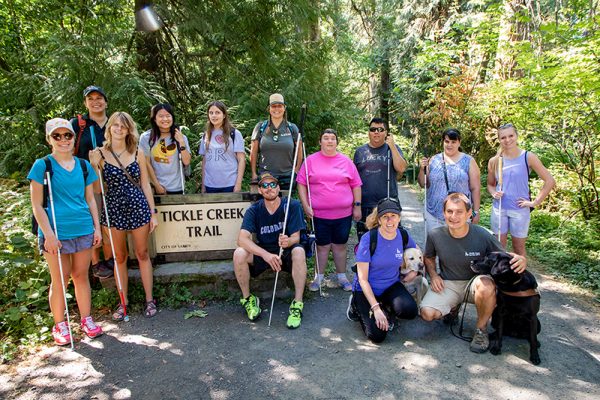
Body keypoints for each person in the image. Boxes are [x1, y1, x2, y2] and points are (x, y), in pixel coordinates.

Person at [420, 192, 527, 353]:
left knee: (486, 285)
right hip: (449, 283)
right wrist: (434, 276)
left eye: (459, 211)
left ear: (469, 214)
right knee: (427, 313)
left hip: (476, 284)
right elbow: (428, 256)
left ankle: (481, 330)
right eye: (449, 211)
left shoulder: (482, 234)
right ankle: (453, 308)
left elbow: (503, 256)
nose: (453, 216)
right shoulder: (436, 235)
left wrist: (521, 259)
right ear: (443, 213)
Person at [29, 118, 103, 345]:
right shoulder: (43, 165)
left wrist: (96, 227)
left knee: (81, 276)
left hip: (82, 227)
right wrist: (48, 235)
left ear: (73, 137)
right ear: (49, 139)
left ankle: (86, 319)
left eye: (67, 135)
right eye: (57, 136)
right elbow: (36, 205)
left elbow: (90, 198)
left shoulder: (83, 165)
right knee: (59, 279)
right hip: (56, 232)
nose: (63, 140)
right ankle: (60, 324)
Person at [89, 112, 159, 320]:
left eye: (124, 126)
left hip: (138, 207)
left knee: (142, 253)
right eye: (115, 125)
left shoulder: (137, 151)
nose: (119, 129)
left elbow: (145, 184)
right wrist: (93, 166)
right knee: (119, 257)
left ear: (129, 130)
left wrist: (152, 212)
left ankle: (149, 299)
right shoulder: (99, 154)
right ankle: (123, 302)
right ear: (109, 127)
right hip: (113, 210)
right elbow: (97, 189)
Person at [232, 173, 307, 329]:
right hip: (264, 252)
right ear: (260, 190)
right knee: (239, 253)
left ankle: (297, 303)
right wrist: (265, 255)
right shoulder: (254, 210)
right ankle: (248, 299)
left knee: (299, 251)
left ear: (278, 188)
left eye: (272, 184)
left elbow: (297, 238)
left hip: (285, 252)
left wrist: (288, 241)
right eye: (264, 186)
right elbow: (242, 239)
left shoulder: (291, 206)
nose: (269, 188)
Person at [296, 129, 362, 291]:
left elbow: (356, 185)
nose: (330, 141)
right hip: (319, 214)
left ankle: (342, 277)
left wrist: (357, 206)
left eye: (333, 138)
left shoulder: (346, 162)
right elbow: (301, 184)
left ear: (337, 142)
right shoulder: (310, 161)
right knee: (322, 246)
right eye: (326, 138)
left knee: (340, 245)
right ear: (320, 142)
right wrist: (305, 205)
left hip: (343, 214)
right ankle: (318, 278)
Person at [347, 198, 419, 343]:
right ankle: (355, 305)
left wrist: (414, 271)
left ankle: (385, 307)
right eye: (385, 217)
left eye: (393, 216)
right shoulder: (369, 239)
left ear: (399, 218)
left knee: (410, 311)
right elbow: (363, 279)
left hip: (390, 285)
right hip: (365, 288)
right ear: (379, 220)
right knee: (378, 335)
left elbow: (417, 252)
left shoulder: (403, 236)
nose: (389, 220)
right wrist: (375, 309)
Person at [487, 123, 555, 256]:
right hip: (499, 209)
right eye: (503, 137)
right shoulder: (494, 160)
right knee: (498, 249)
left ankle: (519, 277)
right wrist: (494, 192)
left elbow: (550, 181)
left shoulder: (528, 157)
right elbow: (490, 184)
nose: (507, 140)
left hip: (519, 209)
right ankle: (500, 276)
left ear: (516, 136)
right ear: (499, 140)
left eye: (511, 136)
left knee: (518, 250)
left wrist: (535, 202)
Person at [70, 85, 113, 279]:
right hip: (87, 180)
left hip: (113, 179)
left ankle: (112, 257)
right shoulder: (78, 125)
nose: (95, 102)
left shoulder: (114, 123)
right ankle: (96, 262)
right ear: (85, 103)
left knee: (110, 219)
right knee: (92, 218)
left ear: (106, 101)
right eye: (91, 98)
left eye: (99, 97)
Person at [417, 128, 481, 233]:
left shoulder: (469, 161)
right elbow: (423, 183)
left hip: (460, 214)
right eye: (446, 141)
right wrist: (421, 168)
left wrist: (476, 212)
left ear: (459, 143)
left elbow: (475, 188)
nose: (449, 145)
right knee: (435, 246)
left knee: (459, 246)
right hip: (434, 214)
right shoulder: (434, 160)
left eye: (453, 142)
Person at [353, 118, 407, 240]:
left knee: (390, 241)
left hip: (389, 204)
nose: (376, 132)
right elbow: (354, 181)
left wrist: (392, 146)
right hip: (365, 205)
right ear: (369, 132)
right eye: (373, 129)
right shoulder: (360, 151)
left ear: (386, 133)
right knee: (366, 242)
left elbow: (401, 168)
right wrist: (356, 205)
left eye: (380, 129)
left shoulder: (393, 149)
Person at [250, 93, 302, 190]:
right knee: (267, 204)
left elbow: (299, 151)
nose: (276, 109)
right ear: (269, 109)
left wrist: (296, 170)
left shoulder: (292, 128)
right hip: (266, 177)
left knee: (286, 204)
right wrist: (254, 173)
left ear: (284, 108)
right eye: (273, 106)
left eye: (279, 106)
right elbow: (253, 152)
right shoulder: (260, 127)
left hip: (287, 177)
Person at [139, 103, 191, 195]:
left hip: (177, 187)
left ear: (172, 117)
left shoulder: (180, 137)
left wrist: (181, 142)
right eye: (161, 116)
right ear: (154, 119)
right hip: (155, 188)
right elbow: (146, 163)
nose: (165, 119)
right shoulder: (146, 137)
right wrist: (157, 185)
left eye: (168, 116)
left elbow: (186, 162)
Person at [198, 101, 245, 193]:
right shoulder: (206, 135)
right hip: (210, 184)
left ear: (224, 115)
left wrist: (238, 184)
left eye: (217, 112)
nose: (214, 116)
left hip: (230, 184)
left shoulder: (234, 133)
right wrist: (203, 185)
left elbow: (241, 160)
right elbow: (204, 161)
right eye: (211, 113)